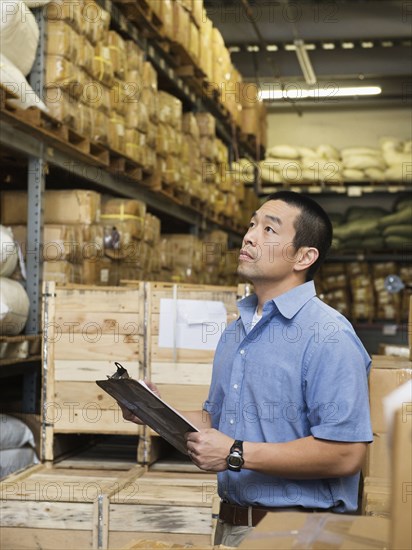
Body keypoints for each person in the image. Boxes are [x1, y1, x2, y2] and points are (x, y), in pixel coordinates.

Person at [120, 191, 373, 548]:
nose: (250, 235)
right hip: (233, 525)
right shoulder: (236, 331)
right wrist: (153, 411)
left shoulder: (328, 334)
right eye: (252, 224)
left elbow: (346, 453)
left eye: (270, 230)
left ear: (304, 256)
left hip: (299, 534)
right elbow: (220, 422)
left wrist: (235, 453)